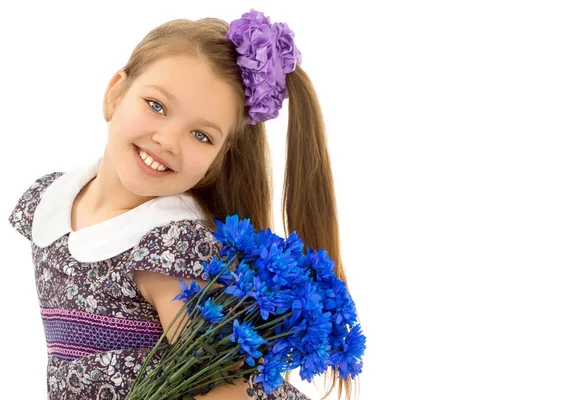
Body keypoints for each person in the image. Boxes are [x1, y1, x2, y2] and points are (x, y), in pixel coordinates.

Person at [8, 9, 355, 400]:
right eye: (156, 105)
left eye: (201, 135)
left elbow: (226, 389)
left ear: (217, 161)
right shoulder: (52, 200)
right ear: (114, 94)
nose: (169, 140)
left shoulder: (171, 245)